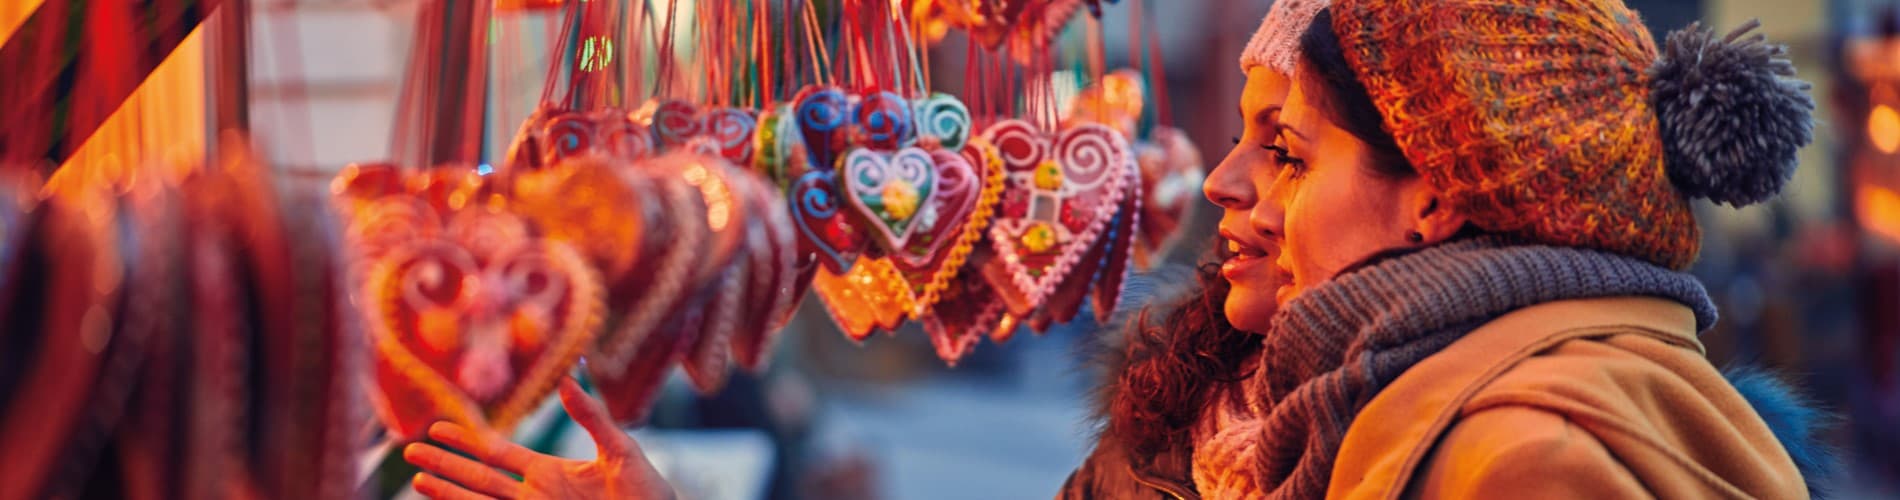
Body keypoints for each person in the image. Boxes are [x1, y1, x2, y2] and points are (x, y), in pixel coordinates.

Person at [411, 0, 1840, 497]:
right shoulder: (1264, 409)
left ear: (1442, 200)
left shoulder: (1541, 462)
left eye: (1285, 150)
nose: (1224, 181)